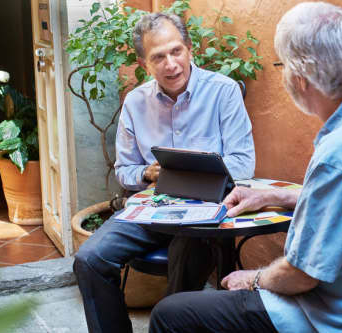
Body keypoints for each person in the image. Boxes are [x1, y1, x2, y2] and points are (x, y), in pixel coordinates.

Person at [148, 2, 342, 332]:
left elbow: (301, 275)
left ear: (300, 79)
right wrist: (272, 196)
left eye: (282, 65)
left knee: (170, 314)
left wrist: (254, 277)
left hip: (335, 318)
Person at [73, 12, 255, 333]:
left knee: (184, 263)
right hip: (152, 211)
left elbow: (242, 164)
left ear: (189, 49)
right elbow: (125, 171)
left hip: (204, 214)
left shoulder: (223, 92)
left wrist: (194, 175)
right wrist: (149, 174)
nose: (170, 64)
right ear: (145, 65)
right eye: (158, 57)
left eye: (176, 51)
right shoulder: (135, 103)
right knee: (90, 260)